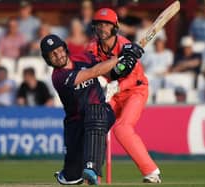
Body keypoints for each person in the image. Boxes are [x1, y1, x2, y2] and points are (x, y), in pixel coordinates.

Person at [40, 34, 142, 185]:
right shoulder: (59, 77)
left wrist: (127, 62)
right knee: (73, 177)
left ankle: (92, 168)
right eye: (52, 54)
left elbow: (112, 73)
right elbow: (93, 72)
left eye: (59, 50)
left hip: (101, 112)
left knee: (95, 111)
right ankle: (69, 174)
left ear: (65, 48)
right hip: (76, 123)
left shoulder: (84, 58)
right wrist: (121, 55)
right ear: (48, 59)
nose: (58, 55)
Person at [86, 8, 161, 183]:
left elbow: (135, 77)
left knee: (122, 128)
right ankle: (93, 173)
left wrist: (117, 85)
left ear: (115, 27)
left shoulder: (125, 45)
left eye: (106, 25)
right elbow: (91, 70)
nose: (102, 28)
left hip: (135, 91)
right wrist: (104, 84)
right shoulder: (92, 48)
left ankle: (151, 171)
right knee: (95, 124)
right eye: (99, 24)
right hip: (112, 93)